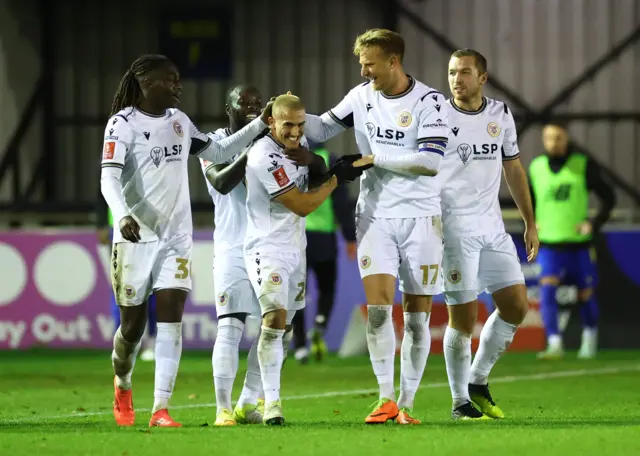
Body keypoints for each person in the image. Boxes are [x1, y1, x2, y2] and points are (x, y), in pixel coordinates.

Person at [101, 54, 271, 428]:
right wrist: (123, 214)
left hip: (176, 238)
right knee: (131, 328)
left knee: (171, 322)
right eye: (171, 79)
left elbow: (219, 151)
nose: (178, 85)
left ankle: (161, 408)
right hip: (134, 236)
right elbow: (109, 179)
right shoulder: (122, 124)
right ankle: (124, 380)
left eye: (179, 79)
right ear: (146, 82)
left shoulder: (180, 123)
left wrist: (260, 123)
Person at [303, 28, 448, 425]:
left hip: (421, 218)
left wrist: (372, 159)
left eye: (370, 64)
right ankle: (385, 398)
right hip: (375, 215)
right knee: (380, 312)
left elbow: (430, 161)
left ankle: (408, 403)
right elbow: (320, 130)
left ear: (393, 61)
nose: (365, 71)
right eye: (361, 64)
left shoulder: (430, 102)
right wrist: (287, 115)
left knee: (417, 318)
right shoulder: (360, 96)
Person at [243, 94, 361, 425]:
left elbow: (315, 176)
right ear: (271, 123)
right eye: (287, 126)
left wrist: (317, 162)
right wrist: (337, 179)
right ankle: (273, 405)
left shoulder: (300, 144)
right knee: (275, 319)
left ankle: (245, 400)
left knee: (283, 326)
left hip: (297, 247)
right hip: (267, 248)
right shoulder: (263, 156)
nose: (295, 133)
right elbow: (303, 205)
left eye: (299, 125)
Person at [437, 49, 538, 420]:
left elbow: (513, 167)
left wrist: (530, 222)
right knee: (461, 320)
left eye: (464, 72)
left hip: (493, 226)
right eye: (451, 72)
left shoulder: (500, 113)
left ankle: (477, 381)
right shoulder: (436, 115)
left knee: (515, 305)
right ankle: (459, 401)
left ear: (482, 78)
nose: (456, 79)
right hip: (453, 228)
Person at [199, 84, 267, 426]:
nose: (253, 107)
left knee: (274, 329)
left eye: (258, 102)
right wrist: (253, 146)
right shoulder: (213, 144)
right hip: (232, 249)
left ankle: (246, 401)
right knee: (231, 326)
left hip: (270, 248)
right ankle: (222, 408)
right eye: (245, 102)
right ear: (229, 108)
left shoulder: (273, 140)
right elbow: (222, 183)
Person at [529, 122, 616, 360]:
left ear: (566, 138)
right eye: (548, 138)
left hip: (579, 244)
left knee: (585, 293)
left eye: (557, 137)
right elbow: (526, 198)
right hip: (549, 243)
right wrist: (531, 222)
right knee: (547, 290)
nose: (553, 143)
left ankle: (589, 338)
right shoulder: (536, 167)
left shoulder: (582, 165)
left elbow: (608, 197)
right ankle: (554, 343)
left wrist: (594, 223)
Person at [292, 141, 357, 364]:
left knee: (297, 293)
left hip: (296, 235)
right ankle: (320, 323)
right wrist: (349, 237)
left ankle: (299, 346)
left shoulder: (291, 157)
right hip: (324, 237)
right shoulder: (329, 159)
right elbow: (341, 202)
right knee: (327, 288)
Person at [96, 198, 157, 361]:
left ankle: (150, 343)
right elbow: (103, 191)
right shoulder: (114, 175)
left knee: (150, 294)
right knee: (121, 296)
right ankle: (123, 344)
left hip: (149, 232)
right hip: (118, 231)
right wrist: (102, 224)